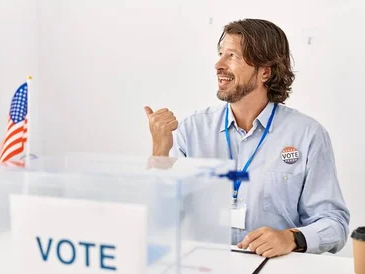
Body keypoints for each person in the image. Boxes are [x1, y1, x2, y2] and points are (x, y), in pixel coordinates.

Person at [144, 19, 350, 258]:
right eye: (221, 54)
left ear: (265, 71)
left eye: (232, 56)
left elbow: (335, 224)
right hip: (204, 269)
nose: (218, 64)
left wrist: (291, 238)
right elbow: (161, 219)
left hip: (275, 273)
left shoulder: (308, 135)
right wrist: (159, 153)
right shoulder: (192, 130)